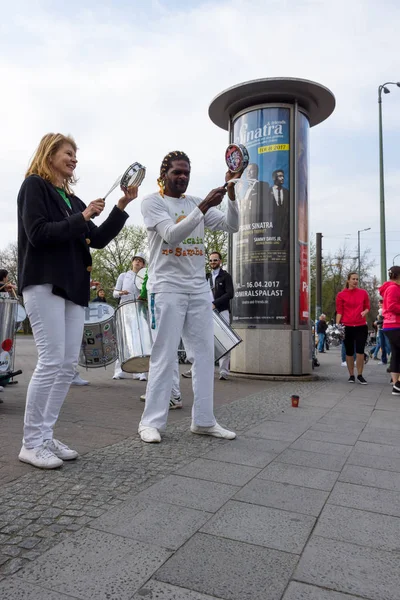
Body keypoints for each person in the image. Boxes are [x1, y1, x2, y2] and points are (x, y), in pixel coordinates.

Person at [17, 133, 138, 469]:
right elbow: (38, 233)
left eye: (75, 154)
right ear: (50, 153)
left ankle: (44, 434)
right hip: (44, 280)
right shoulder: (34, 187)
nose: (74, 159)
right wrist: (82, 216)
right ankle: (30, 443)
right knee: (52, 359)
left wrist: (120, 206)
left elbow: (96, 239)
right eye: (68, 153)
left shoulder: (71, 198)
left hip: (73, 285)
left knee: (68, 364)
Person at [138, 150, 240, 443]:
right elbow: (171, 234)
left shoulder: (195, 203)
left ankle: (204, 420)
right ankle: (151, 423)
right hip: (166, 287)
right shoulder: (153, 202)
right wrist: (205, 206)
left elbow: (232, 225)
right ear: (164, 175)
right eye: (176, 173)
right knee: (164, 355)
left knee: (205, 355)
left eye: (186, 173)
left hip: (198, 288)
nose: (182, 177)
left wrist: (231, 194)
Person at [112, 253, 147, 381]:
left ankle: (139, 371)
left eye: (140, 261)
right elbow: (115, 293)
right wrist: (121, 292)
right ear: (132, 262)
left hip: (139, 309)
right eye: (136, 260)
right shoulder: (123, 276)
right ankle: (119, 370)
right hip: (125, 309)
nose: (137, 262)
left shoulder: (145, 277)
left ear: (143, 265)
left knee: (140, 341)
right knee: (124, 340)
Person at [336, 272, 370, 384]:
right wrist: (337, 326)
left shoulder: (363, 293)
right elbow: (339, 311)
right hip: (347, 326)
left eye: (357, 279)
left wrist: (365, 311)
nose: (355, 281)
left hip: (361, 326)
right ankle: (351, 375)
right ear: (348, 280)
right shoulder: (341, 295)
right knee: (349, 352)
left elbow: (367, 307)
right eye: (353, 279)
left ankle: (360, 375)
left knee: (360, 351)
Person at [380, 266, 400, 394]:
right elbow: (392, 306)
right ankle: (396, 384)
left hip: (391, 325)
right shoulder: (393, 288)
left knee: (396, 354)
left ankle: (396, 385)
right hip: (395, 324)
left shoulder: (391, 288)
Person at [270, 169, 289, 236]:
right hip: (271, 231)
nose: (282, 178)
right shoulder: (267, 192)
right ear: (274, 178)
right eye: (280, 176)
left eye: (283, 176)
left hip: (285, 231)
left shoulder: (287, 193)